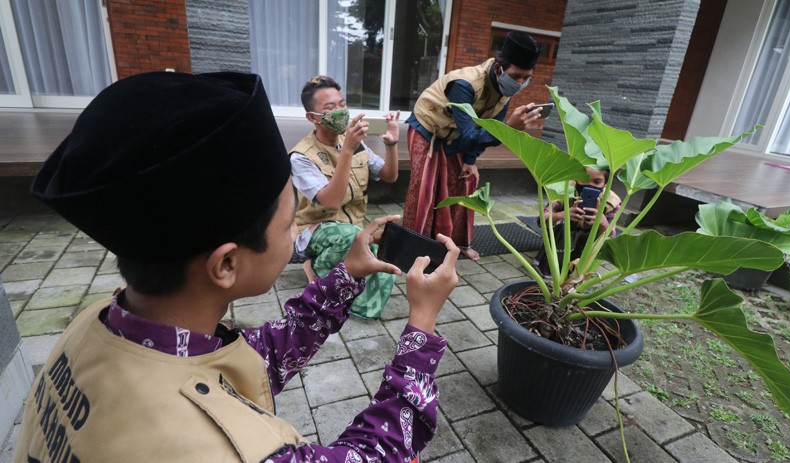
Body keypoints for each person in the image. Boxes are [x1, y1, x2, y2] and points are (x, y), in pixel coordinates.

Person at [15, 71, 460, 463]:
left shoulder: (95, 327)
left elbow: (256, 357)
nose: (293, 237)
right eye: (289, 226)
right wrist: (421, 325)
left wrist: (346, 275)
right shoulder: (224, 451)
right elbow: (375, 454)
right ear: (226, 263)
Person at [403, 31, 544, 261]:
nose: (520, 83)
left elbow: (489, 127)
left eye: (526, 78)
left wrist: (470, 161)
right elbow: (473, 135)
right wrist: (510, 128)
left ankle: (458, 245)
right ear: (499, 68)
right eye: (516, 76)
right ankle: (413, 250)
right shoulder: (465, 84)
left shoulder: (504, 88)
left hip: (457, 133)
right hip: (428, 128)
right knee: (425, 190)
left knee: (465, 182)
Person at [290, 75, 400, 319]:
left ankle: (356, 296)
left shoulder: (356, 144)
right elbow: (331, 202)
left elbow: (389, 175)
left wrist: (391, 145)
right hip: (316, 231)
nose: (340, 111)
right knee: (353, 238)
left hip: (353, 228)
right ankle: (317, 266)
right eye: (330, 108)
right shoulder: (301, 156)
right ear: (312, 117)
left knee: (383, 252)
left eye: (342, 104)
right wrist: (347, 151)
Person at [534, 165, 622, 276]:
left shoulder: (611, 202)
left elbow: (610, 237)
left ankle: (581, 268)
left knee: (600, 237)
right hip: (564, 235)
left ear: (605, 183)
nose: (590, 185)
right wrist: (561, 215)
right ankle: (552, 265)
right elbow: (541, 220)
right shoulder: (564, 190)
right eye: (584, 180)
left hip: (589, 240)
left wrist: (602, 222)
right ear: (575, 179)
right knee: (561, 225)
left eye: (597, 181)